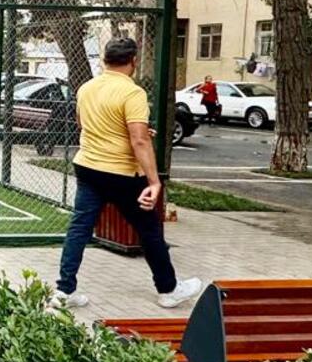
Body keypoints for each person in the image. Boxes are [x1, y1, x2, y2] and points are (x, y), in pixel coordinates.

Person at [52, 36, 201, 312]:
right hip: (122, 173)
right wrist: (154, 181)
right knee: (149, 230)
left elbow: (84, 124)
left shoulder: (86, 88)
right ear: (133, 61)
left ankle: (63, 291)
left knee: (79, 228)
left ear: (104, 60)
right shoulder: (133, 93)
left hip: (88, 167)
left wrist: (137, 131)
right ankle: (168, 290)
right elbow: (139, 141)